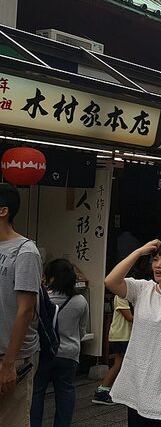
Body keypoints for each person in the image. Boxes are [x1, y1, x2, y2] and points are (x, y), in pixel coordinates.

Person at [105, 239, 161, 426]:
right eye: (155, 260)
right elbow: (111, 281)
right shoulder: (143, 289)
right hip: (137, 380)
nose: (158, 265)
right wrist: (139, 252)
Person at [0, 183, 42, 427]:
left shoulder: (25, 251)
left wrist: (8, 364)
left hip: (11, 356)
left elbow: (26, 311)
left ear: (3, 211)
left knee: (11, 421)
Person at [30, 259, 89, 427]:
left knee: (37, 392)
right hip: (70, 354)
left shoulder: (42, 298)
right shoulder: (80, 301)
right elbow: (82, 331)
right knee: (66, 391)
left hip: (44, 352)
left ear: (51, 278)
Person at [93, 291, 132, 405]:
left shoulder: (125, 296)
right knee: (120, 364)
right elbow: (129, 317)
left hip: (122, 335)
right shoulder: (121, 296)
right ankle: (103, 391)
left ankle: (105, 390)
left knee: (120, 363)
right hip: (121, 335)